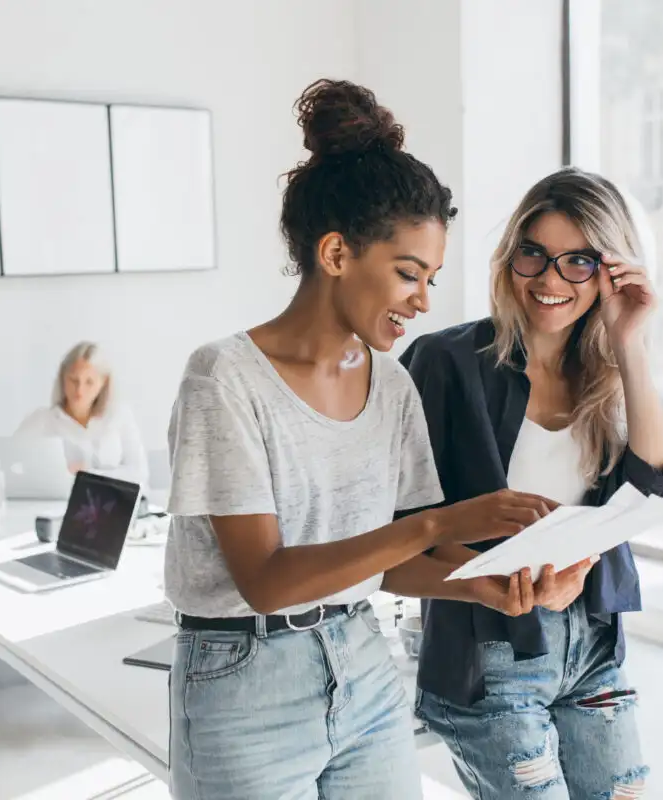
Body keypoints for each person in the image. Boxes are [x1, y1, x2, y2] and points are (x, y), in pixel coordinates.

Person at [163, 79, 560, 800]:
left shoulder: (393, 386)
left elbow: (384, 568)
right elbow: (268, 580)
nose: (424, 300)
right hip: (241, 682)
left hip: (362, 662)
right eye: (409, 273)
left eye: (432, 278)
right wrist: (443, 524)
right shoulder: (224, 379)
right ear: (338, 253)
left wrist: (487, 588)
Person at [400, 167, 663, 799]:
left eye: (578, 262)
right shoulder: (445, 361)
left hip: (593, 652)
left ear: (610, 274)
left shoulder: (609, 375)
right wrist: (499, 582)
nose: (550, 280)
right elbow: (405, 524)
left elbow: (655, 491)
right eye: (535, 254)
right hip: (489, 653)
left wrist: (630, 344)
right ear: (511, 259)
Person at [16, 341, 149, 491]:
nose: (79, 390)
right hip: (58, 506)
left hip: (112, 506)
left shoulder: (120, 416)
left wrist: (87, 475)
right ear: (62, 377)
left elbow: (139, 474)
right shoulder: (41, 420)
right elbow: (13, 467)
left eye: (89, 382)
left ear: (103, 382)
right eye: (73, 380)